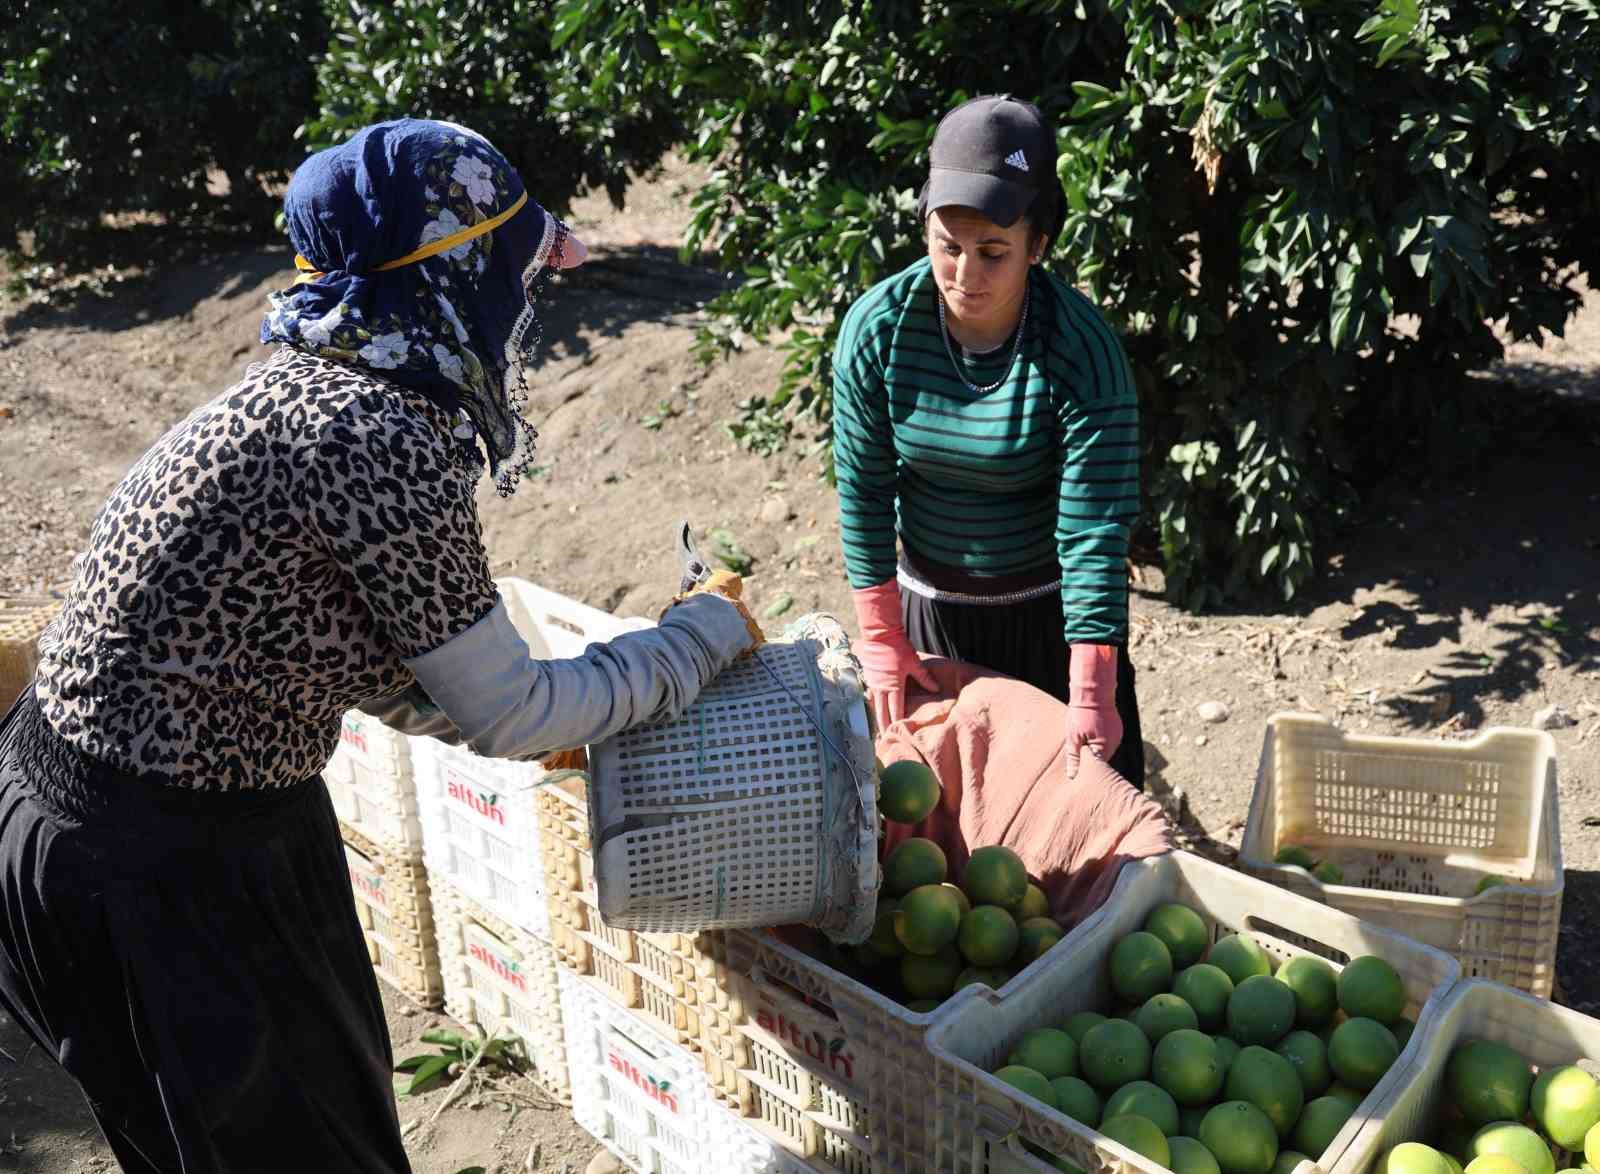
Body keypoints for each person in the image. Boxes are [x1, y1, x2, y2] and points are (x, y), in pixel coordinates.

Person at [0, 118, 756, 1173]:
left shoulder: (317, 386)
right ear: (453, 272)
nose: (526, 303)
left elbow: (348, 648)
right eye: (512, 266)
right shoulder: (375, 436)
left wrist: (574, 699)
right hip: (156, 864)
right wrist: (698, 638)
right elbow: (511, 710)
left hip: (133, 815)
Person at [833, 94, 1145, 788]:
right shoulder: (878, 330)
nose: (965, 276)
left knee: (1084, 823)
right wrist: (882, 634)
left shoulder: (1080, 351)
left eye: (993, 252)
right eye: (948, 246)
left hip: (1048, 619)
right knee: (940, 825)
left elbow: (1094, 528)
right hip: (931, 618)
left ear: (1038, 244)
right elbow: (863, 487)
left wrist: (1092, 685)